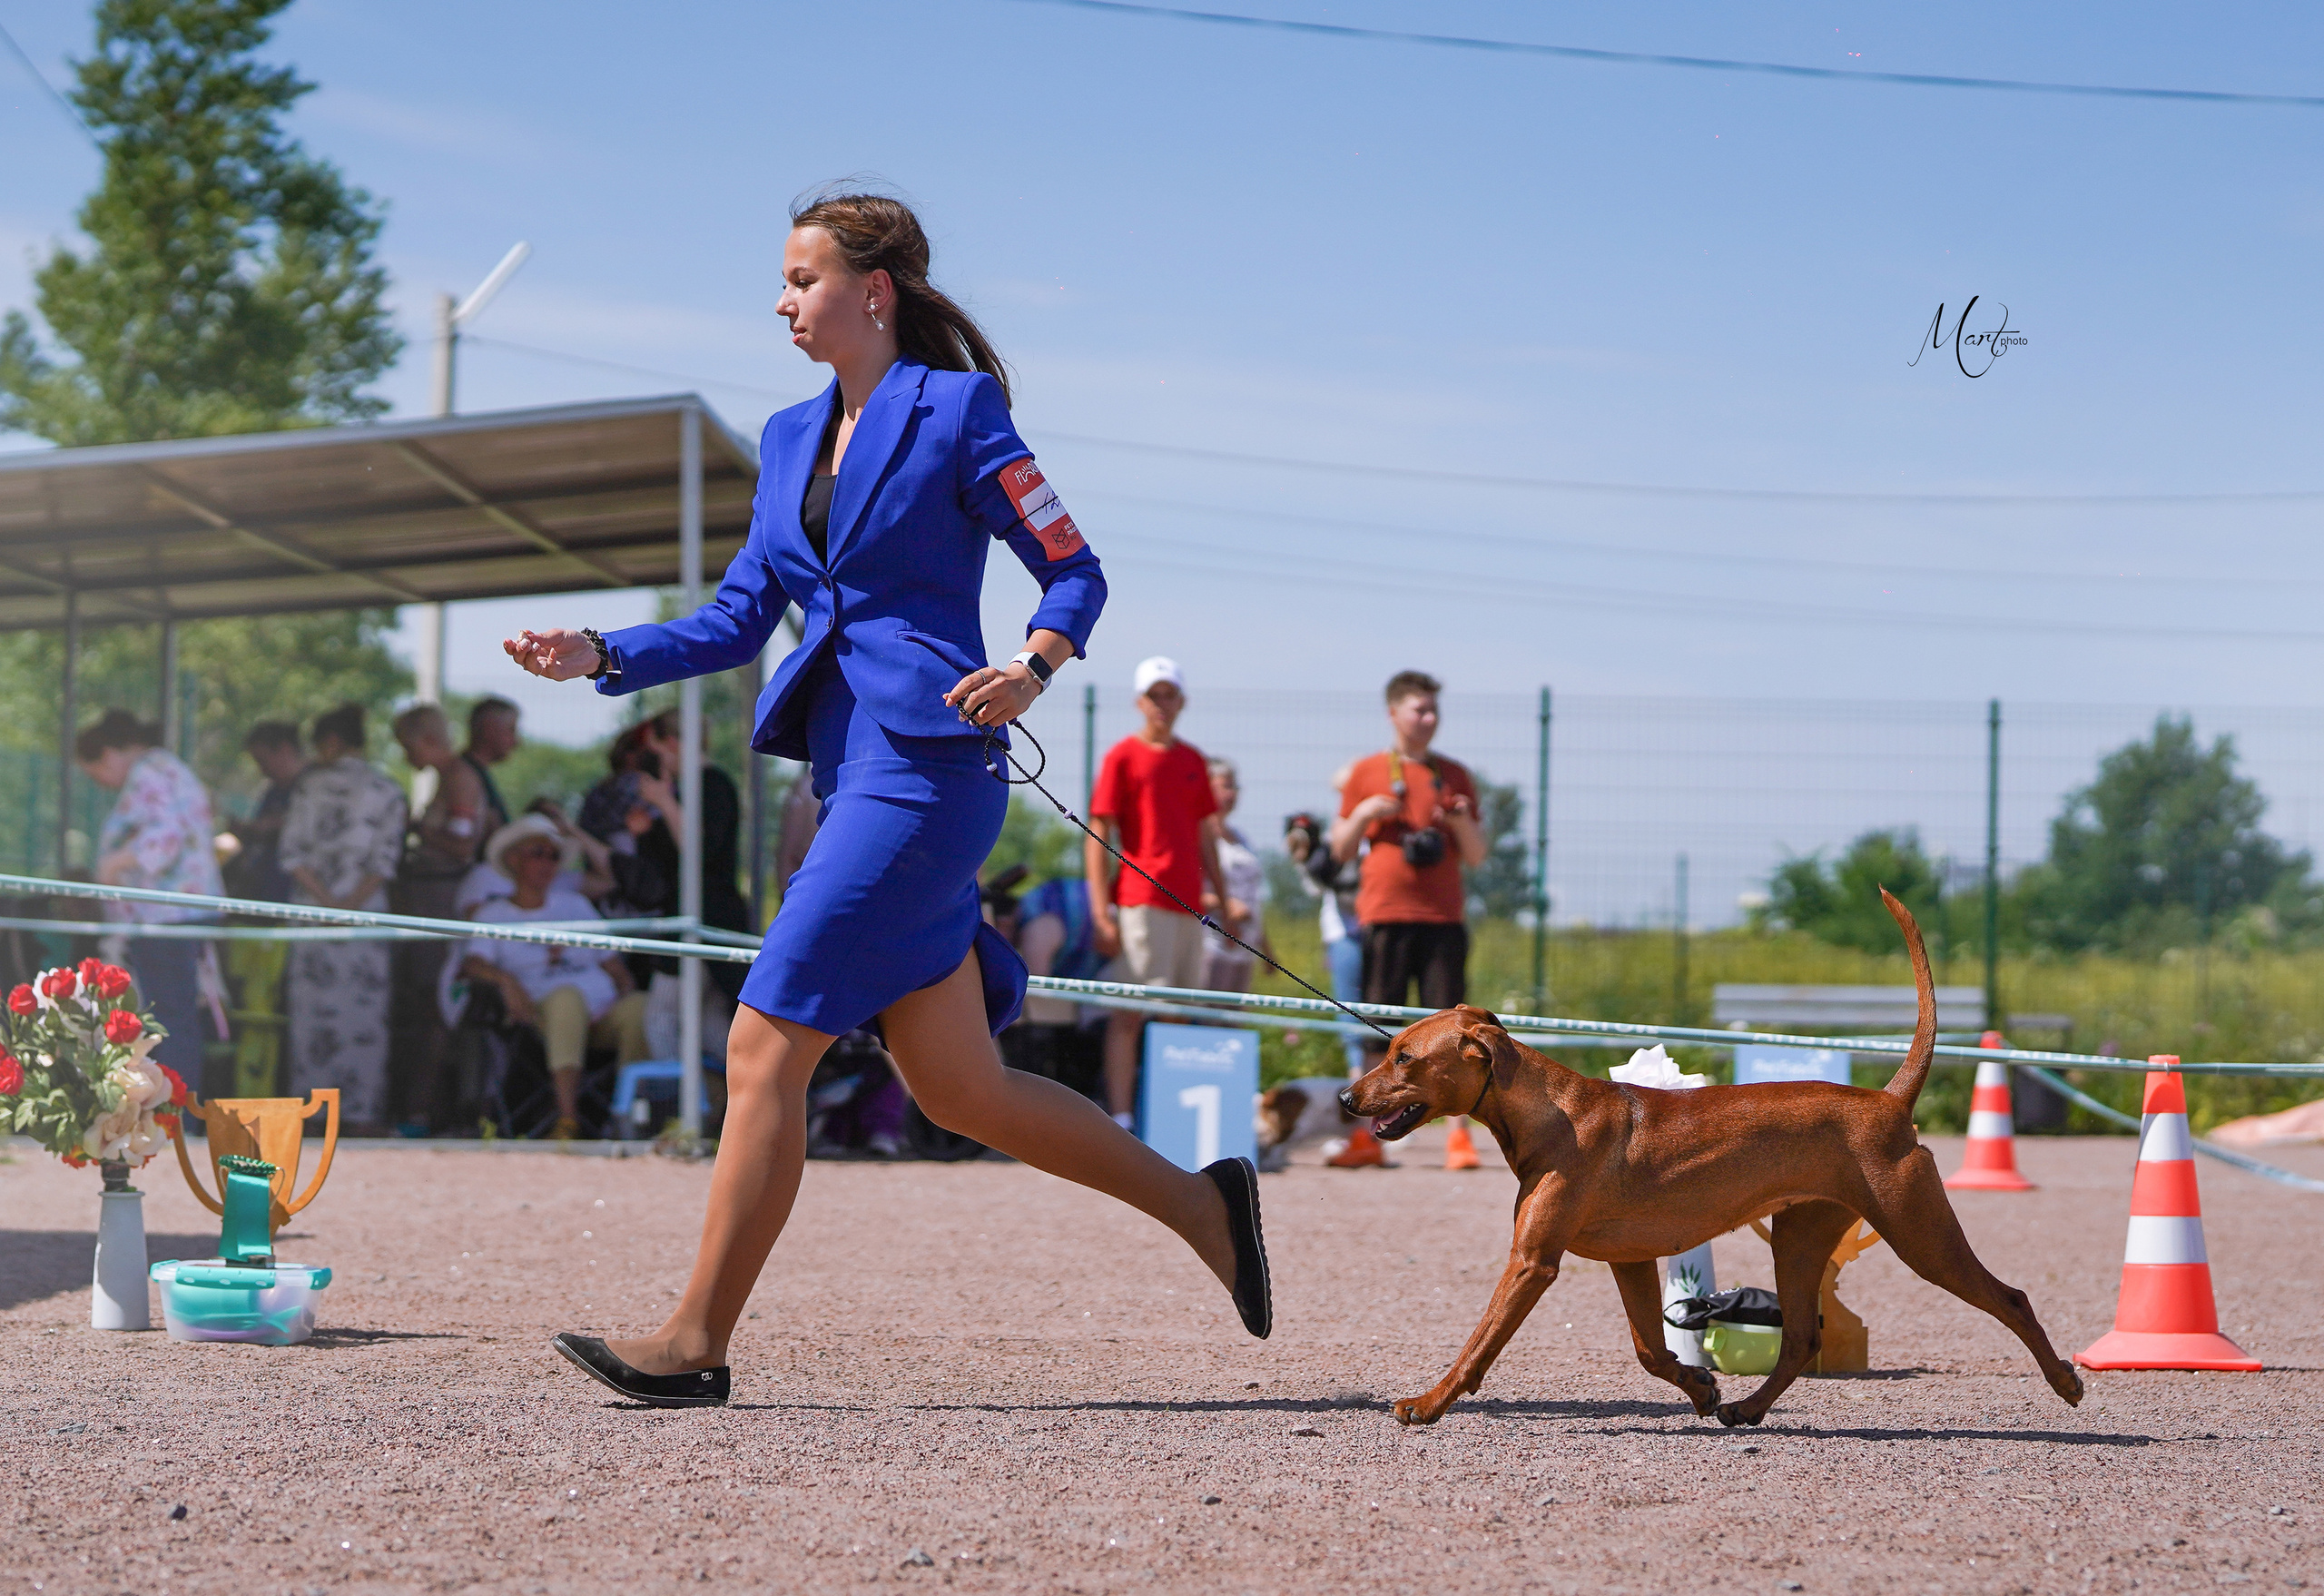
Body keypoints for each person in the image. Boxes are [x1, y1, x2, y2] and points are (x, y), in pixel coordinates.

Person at [501, 189, 1267, 1406]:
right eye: (784, 280)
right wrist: (600, 651)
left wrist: (1033, 663)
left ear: (874, 292)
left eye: (802, 279)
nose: (781, 299)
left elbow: (1073, 565)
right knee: (961, 1090)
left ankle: (694, 1338)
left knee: (764, 1039)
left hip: (926, 774)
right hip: (847, 771)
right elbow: (739, 619)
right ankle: (1205, 1204)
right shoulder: (789, 437)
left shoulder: (959, 409)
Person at [1328, 670, 1487, 1167]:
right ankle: (1368, 1137)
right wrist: (1365, 813)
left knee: (1452, 1030)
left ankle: (1458, 1138)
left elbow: (1478, 857)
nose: (1429, 719)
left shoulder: (1455, 775)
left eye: (1434, 709)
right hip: (1384, 914)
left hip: (1442, 918)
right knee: (1379, 1024)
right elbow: (1338, 848)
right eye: (1420, 709)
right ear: (1393, 713)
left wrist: (1459, 820)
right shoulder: (1366, 772)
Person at [1085, 656, 1235, 1128]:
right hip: (1139, 900)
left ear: (1182, 701)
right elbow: (1098, 831)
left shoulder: (1192, 760)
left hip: (1189, 904)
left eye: (1170, 694)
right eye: (1154, 695)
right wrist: (1100, 912)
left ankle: (1172, 1119)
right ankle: (1123, 1116)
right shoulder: (1122, 757)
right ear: (1139, 702)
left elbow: (1206, 834)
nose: (1162, 704)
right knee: (1131, 1012)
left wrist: (1224, 901)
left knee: (1178, 1014)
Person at [458, 815, 651, 1138]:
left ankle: (626, 1117)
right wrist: (506, 981)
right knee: (566, 999)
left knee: (641, 1008)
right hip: (539, 1015)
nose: (548, 862)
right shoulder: (493, 914)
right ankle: (567, 1120)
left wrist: (624, 985)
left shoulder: (576, 905)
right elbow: (472, 964)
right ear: (513, 859)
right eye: (538, 853)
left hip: (601, 1013)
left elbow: (612, 964)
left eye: (554, 855)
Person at [75, 709, 222, 1089]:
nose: (103, 785)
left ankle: (176, 1116)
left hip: (168, 914)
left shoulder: (148, 773)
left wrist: (114, 864)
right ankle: (177, 1114)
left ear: (108, 754)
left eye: (97, 775)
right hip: (180, 911)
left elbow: (167, 835)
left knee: (166, 1021)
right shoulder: (166, 768)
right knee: (175, 1018)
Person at [279, 704, 408, 1136]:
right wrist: (351, 904)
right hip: (364, 923)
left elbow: (292, 855)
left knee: (311, 1021)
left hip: (314, 920)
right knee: (364, 1020)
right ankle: (362, 1115)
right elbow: (385, 862)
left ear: (330, 742)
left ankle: (311, 1116)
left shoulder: (305, 788)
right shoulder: (388, 790)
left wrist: (327, 903)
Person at [388, 704, 490, 1133]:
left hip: (442, 904)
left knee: (436, 1008)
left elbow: (464, 846)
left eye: (407, 746)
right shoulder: (449, 778)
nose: (406, 756)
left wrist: (415, 827)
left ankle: (424, 1112)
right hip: (427, 902)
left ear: (427, 740)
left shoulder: (460, 780)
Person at [1198, 757, 1269, 995]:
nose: (1233, 794)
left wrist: (1265, 948)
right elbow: (1188, 892)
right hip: (1212, 944)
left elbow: (1252, 898)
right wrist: (1226, 906)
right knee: (1207, 1019)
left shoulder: (1241, 838)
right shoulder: (1199, 836)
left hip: (1244, 948)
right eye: (1226, 786)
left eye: (1235, 787)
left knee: (1232, 1025)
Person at [222, 722, 306, 902]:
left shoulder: (315, 789)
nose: (263, 770)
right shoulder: (273, 791)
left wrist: (273, 825)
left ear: (285, 750)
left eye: (263, 760)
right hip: (269, 888)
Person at [462, 697, 521, 838]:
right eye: (511, 730)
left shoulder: (474, 773)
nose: (517, 742)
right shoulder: (464, 776)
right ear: (489, 728)